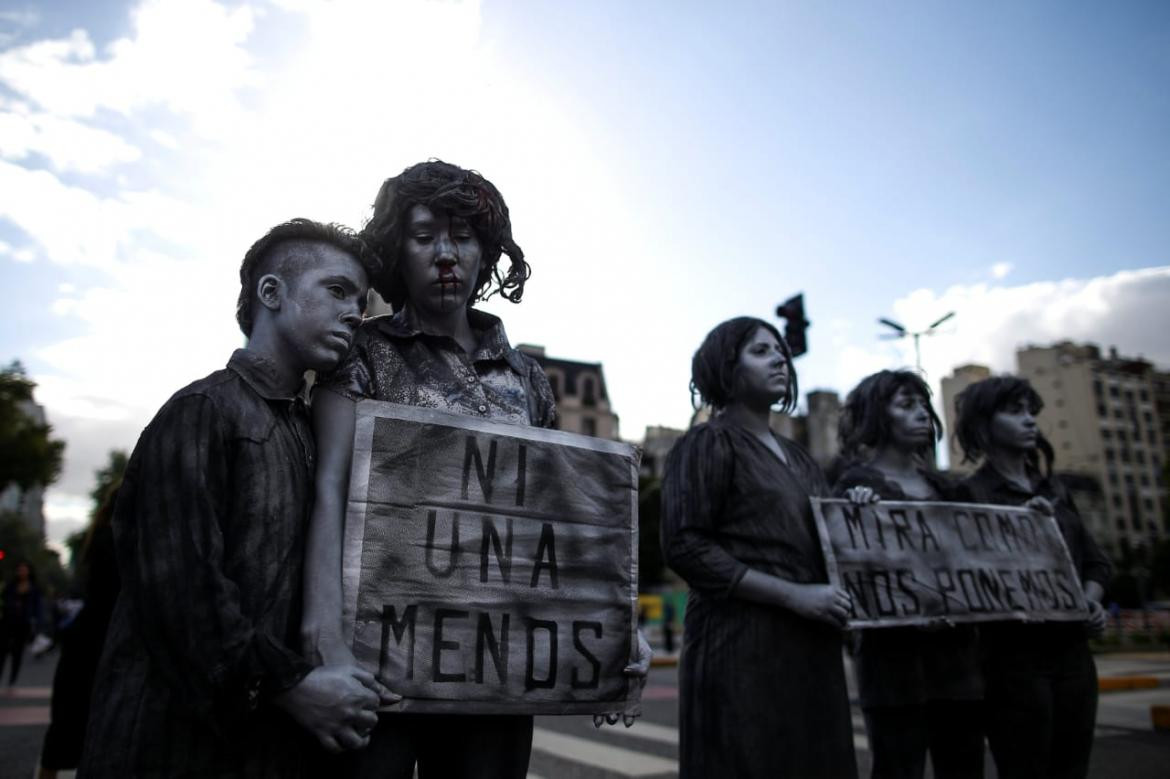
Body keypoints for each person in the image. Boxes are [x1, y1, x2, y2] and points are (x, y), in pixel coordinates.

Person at [80, 219, 392, 778]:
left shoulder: (308, 432)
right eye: (338, 291)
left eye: (362, 303)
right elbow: (182, 593)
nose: (355, 314)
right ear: (272, 294)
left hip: (259, 751)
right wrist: (291, 686)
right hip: (164, 748)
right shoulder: (201, 411)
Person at [660, 316, 858, 779]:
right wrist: (794, 595)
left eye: (781, 352)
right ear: (724, 366)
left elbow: (832, 543)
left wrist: (859, 513)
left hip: (812, 650)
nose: (779, 361)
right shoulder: (707, 443)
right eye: (760, 351)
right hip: (740, 649)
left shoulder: (802, 460)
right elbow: (685, 545)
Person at [954, 376, 1110, 779]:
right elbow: (963, 577)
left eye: (1030, 412)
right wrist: (1023, 532)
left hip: (1075, 658)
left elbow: (1096, 563)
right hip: (1012, 663)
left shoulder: (1056, 489)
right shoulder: (969, 496)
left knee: (1073, 768)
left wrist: (1090, 601)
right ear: (983, 425)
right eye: (1014, 411)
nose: (1029, 421)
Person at [834, 370, 983, 779]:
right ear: (877, 418)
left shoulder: (950, 489)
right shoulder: (852, 485)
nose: (921, 414)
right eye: (906, 405)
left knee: (964, 765)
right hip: (893, 670)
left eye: (922, 404)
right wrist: (854, 515)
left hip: (958, 664)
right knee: (899, 767)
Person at [0, 561, 42, 686]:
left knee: (17, 654)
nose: (22, 572)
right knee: (2, 652)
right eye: (20, 569)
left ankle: (12, 681)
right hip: (7, 622)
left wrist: (37, 623)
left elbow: (37, 607)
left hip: (23, 624)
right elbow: (3, 600)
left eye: (24, 569)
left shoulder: (34, 588)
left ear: (29, 571)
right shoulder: (11, 586)